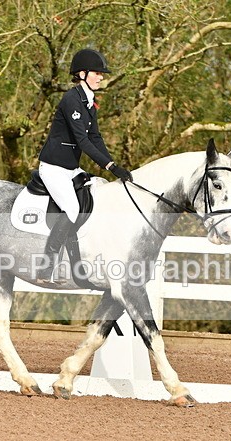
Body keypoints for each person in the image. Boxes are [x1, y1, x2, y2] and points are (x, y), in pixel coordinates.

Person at [36, 48, 133, 283]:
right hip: (54, 168)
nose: (101, 77)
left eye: (102, 74)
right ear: (82, 74)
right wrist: (109, 165)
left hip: (70, 169)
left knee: (97, 193)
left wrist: (114, 166)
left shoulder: (89, 101)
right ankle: (45, 270)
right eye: (97, 73)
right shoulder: (71, 99)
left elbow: (96, 138)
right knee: (71, 208)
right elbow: (82, 140)